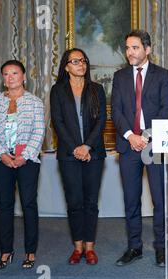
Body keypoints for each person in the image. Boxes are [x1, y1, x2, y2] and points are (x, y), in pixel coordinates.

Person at [111, 30, 168, 267]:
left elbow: (165, 109)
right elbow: (116, 111)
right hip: (128, 147)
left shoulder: (162, 75)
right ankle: (134, 247)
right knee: (131, 200)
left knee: (159, 200)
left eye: (135, 47)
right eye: (127, 47)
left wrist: (145, 136)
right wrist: (130, 136)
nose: (130, 52)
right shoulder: (119, 76)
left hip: (154, 145)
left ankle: (161, 249)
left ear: (147, 49)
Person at [0, 60, 45, 269]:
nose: (10, 77)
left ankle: (30, 252)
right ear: (3, 79)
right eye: (6, 74)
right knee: (5, 206)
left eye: (15, 73)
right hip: (2, 161)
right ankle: (5, 252)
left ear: (24, 76)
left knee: (28, 204)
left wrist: (24, 155)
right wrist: (2, 155)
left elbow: (39, 131)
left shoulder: (35, 102)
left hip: (27, 160)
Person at [50, 48, 107, 265]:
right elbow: (58, 122)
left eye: (83, 60)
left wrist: (87, 147)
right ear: (66, 66)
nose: (80, 64)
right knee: (75, 202)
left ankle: (90, 248)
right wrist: (76, 148)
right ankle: (77, 247)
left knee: (91, 201)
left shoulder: (97, 89)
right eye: (75, 61)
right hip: (68, 154)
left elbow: (101, 121)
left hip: (94, 154)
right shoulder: (57, 91)